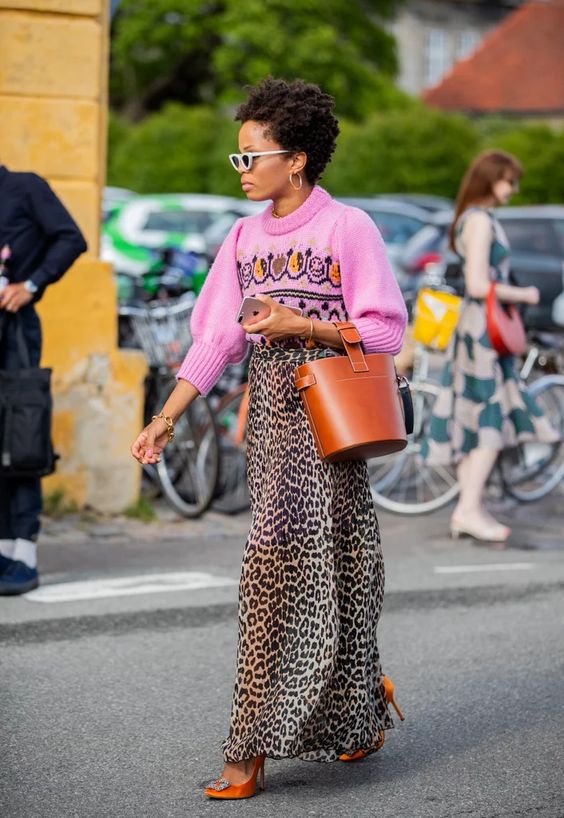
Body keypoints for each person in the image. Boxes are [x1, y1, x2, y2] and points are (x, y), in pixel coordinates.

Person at [131, 77, 407, 799]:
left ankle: (358, 709)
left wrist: (302, 325)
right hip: (276, 433)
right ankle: (248, 746)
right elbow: (216, 338)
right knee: (273, 566)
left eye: (254, 155)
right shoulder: (243, 238)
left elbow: (386, 329)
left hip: (336, 424)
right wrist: (165, 417)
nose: (243, 168)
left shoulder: (348, 228)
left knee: (344, 568)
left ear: (299, 159)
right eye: (240, 156)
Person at [422, 150, 559, 543]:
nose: (513, 190)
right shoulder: (479, 221)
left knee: (476, 418)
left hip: (478, 331)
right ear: (490, 178)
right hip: (481, 331)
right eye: (509, 181)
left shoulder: (473, 219)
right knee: (487, 420)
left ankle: (469, 508)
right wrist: (526, 294)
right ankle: (468, 509)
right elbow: (479, 285)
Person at [0, 165, 87, 595]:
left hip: (13, 332)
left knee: (21, 436)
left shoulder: (24, 187)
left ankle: (23, 555)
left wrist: (30, 284)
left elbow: (72, 238)